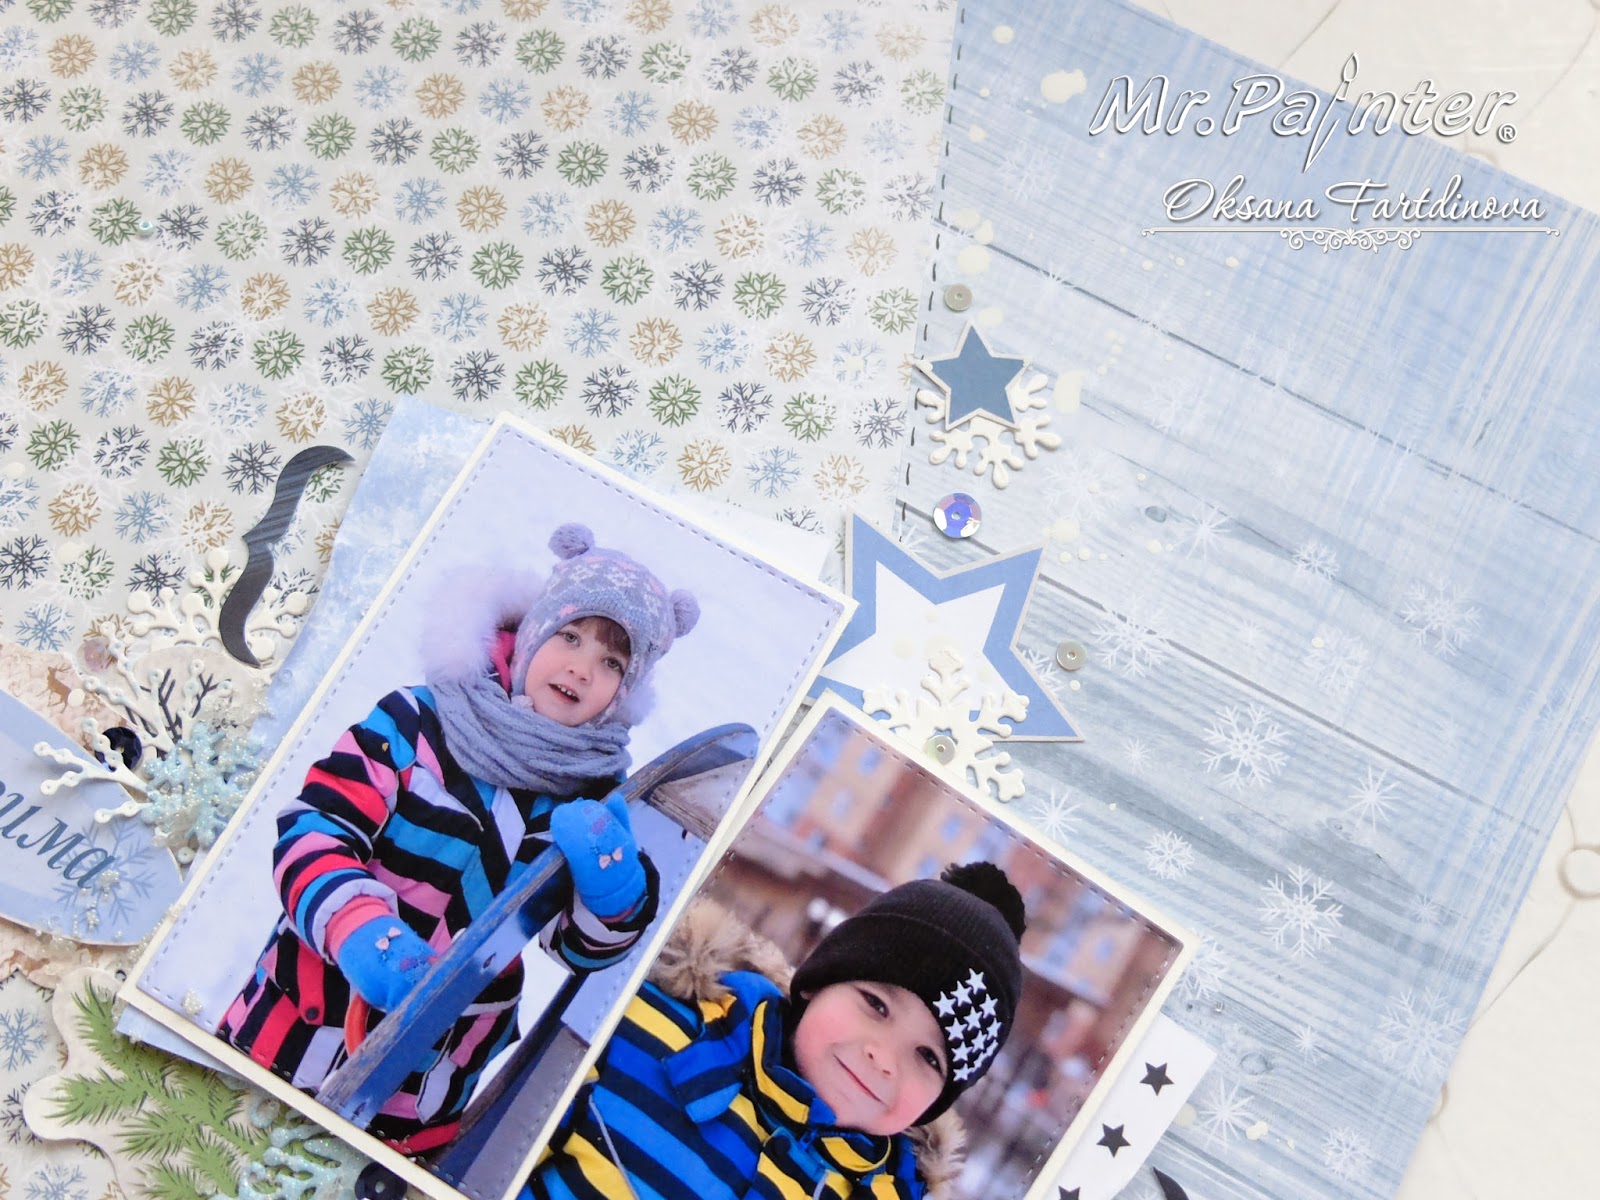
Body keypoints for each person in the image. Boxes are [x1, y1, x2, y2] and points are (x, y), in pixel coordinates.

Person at [218, 523, 699, 1154]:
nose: (582, 668)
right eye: (570, 636)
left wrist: (613, 892)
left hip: (422, 1095)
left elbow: (573, 947)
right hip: (285, 1035)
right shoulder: (417, 721)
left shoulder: (592, 795)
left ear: (626, 692)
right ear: (533, 630)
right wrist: (358, 928)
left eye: (613, 663)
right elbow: (314, 830)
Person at [523, 861, 1027, 1200]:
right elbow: (501, 1147)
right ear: (818, 985)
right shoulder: (647, 1034)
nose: (884, 1057)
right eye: (876, 1005)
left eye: (929, 1057)